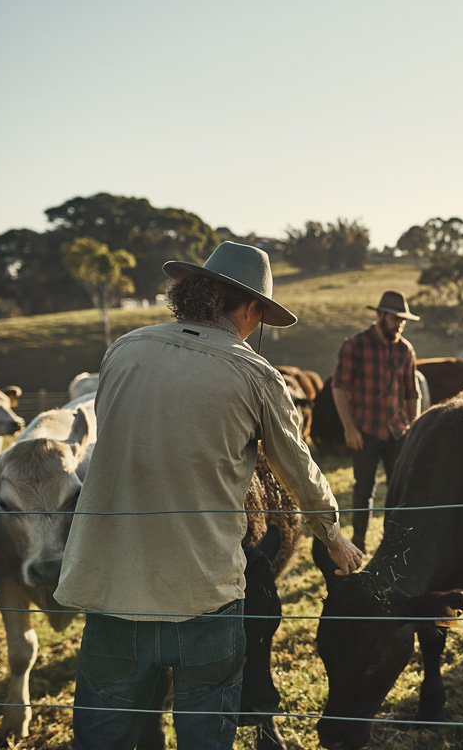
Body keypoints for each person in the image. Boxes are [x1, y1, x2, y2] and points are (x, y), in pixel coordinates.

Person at [55, 241, 363, 750]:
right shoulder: (257, 375)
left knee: (102, 737)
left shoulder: (124, 350)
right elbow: (300, 471)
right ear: (251, 308)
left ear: (194, 294)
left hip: (110, 587)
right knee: (204, 737)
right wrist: (333, 537)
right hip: (203, 597)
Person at [331, 290, 420, 551]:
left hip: (396, 432)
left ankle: (392, 540)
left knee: (399, 489)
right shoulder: (355, 345)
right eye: (396, 318)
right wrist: (350, 428)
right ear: (380, 315)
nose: (400, 324)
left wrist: (413, 427)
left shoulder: (405, 349)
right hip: (365, 430)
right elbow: (339, 387)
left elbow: (412, 391)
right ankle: (359, 539)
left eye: (403, 320)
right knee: (364, 488)